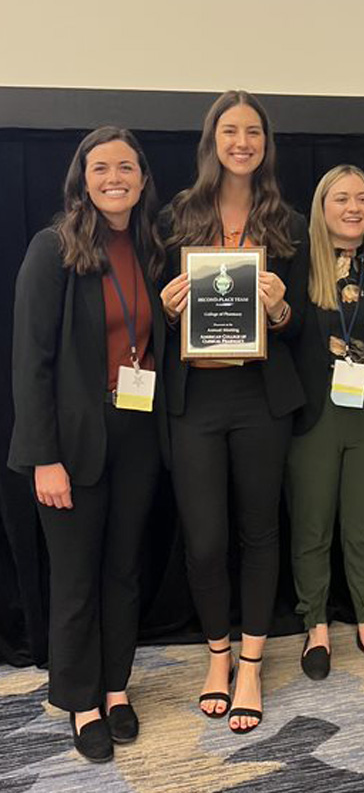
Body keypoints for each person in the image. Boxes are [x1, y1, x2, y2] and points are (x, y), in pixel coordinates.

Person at [9, 127, 168, 762]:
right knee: (76, 579)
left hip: (136, 434)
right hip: (70, 445)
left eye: (125, 167)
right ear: (82, 177)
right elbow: (31, 364)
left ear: (142, 177)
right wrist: (43, 457)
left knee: (123, 570)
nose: (113, 177)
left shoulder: (154, 249)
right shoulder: (53, 250)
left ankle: (115, 685)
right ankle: (78, 699)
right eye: (100, 167)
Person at [160, 90, 308, 733]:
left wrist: (277, 310)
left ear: (266, 143)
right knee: (205, 538)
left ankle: (250, 662)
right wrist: (168, 314)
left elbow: (302, 322)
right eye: (229, 130)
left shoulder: (288, 222)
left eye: (253, 131)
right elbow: (153, 318)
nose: (241, 141)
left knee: (259, 532)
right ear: (211, 141)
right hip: (195, 399)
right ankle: (215, 655)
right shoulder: (178, 215)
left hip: (260, 398)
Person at [287, 165, 364, 680]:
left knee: (363, 530)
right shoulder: (297, 268)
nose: (353, 208)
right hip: (315, 418)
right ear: (321, 207)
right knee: (312, 528)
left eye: (363, 198)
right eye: (341, 198)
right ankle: (315, 626)